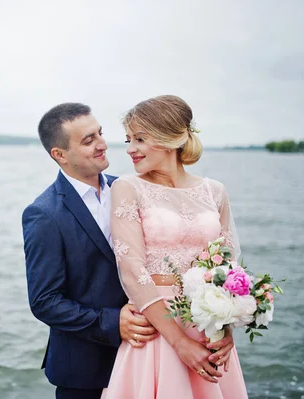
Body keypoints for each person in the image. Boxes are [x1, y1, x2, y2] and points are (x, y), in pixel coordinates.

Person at [102, 95, 248, 398]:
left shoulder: (215, 191)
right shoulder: (128, 188)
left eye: (140, 139)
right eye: (128, 139)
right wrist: (179, 342)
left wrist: (226, 328)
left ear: (169, 139)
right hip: (157, 327)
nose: (130, 149)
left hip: (209, 328)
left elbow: (229, 267)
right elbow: (131, 269)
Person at [22, 103, 159, 399]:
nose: (102, 145)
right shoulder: (43, 214)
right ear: (59, 155)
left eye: (100, 133)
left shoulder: (128, 189)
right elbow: (44, 301)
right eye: (88, 140)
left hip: (146, 357)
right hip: (84, 371)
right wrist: (112, 322)